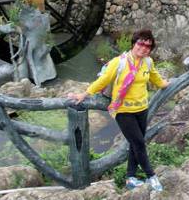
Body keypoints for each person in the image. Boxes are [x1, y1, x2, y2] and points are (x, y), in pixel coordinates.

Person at [68, 29, 169, 192]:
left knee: (135, 144)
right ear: (134, 43)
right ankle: (152, 176)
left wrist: (165, 84)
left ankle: (131, 178)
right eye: (140, 43)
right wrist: (84, 94)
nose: (143, 48)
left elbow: (155, 78)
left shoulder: (148, 62)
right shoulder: (119, 62)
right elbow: (103, 80)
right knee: (139, 143)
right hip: (123, 110)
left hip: (142, 108)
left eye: (148, 46)